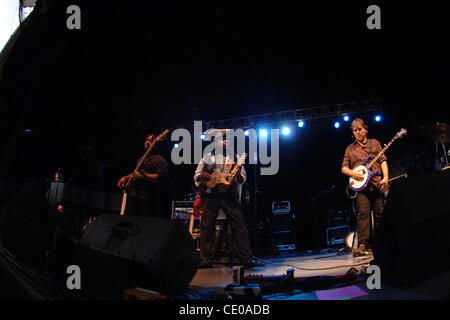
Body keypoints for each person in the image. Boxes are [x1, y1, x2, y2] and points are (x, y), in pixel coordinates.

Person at [194, 130, 263, 268]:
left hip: (228, 195)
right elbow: (197, 176)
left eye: (226, 139)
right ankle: (206, 260)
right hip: (211, 194)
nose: (225, 141)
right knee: (206, 226)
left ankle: (246, 259)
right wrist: (204, 178)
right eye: (222, 139)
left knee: (239, 226)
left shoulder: (236, 158)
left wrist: (237, 174)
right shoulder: (207, 158)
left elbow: (241, 179)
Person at [341, 118, 389, 257]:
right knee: (363, 214)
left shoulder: (374, 143)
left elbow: (383, 160)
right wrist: (353, 173)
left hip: (376, 183)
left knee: (380, 213)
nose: (358, 132)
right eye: (355, 131)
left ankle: (383, 241)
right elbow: (344, 168)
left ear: (365, 129)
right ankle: (363, 245)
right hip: (361, 188)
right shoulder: (350, 148)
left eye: (360, 129)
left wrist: (385, 177)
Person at [117, 133, 169, 218]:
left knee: (143, 223)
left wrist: (143, 176)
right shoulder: (141, 158)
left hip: (147, 198)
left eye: (150, 141)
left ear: (156, 145)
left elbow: (160, 178)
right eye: (146, 140)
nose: (147, 142)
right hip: (133, 195)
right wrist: (125, 177)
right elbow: (136, 173)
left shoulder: (160, 160)